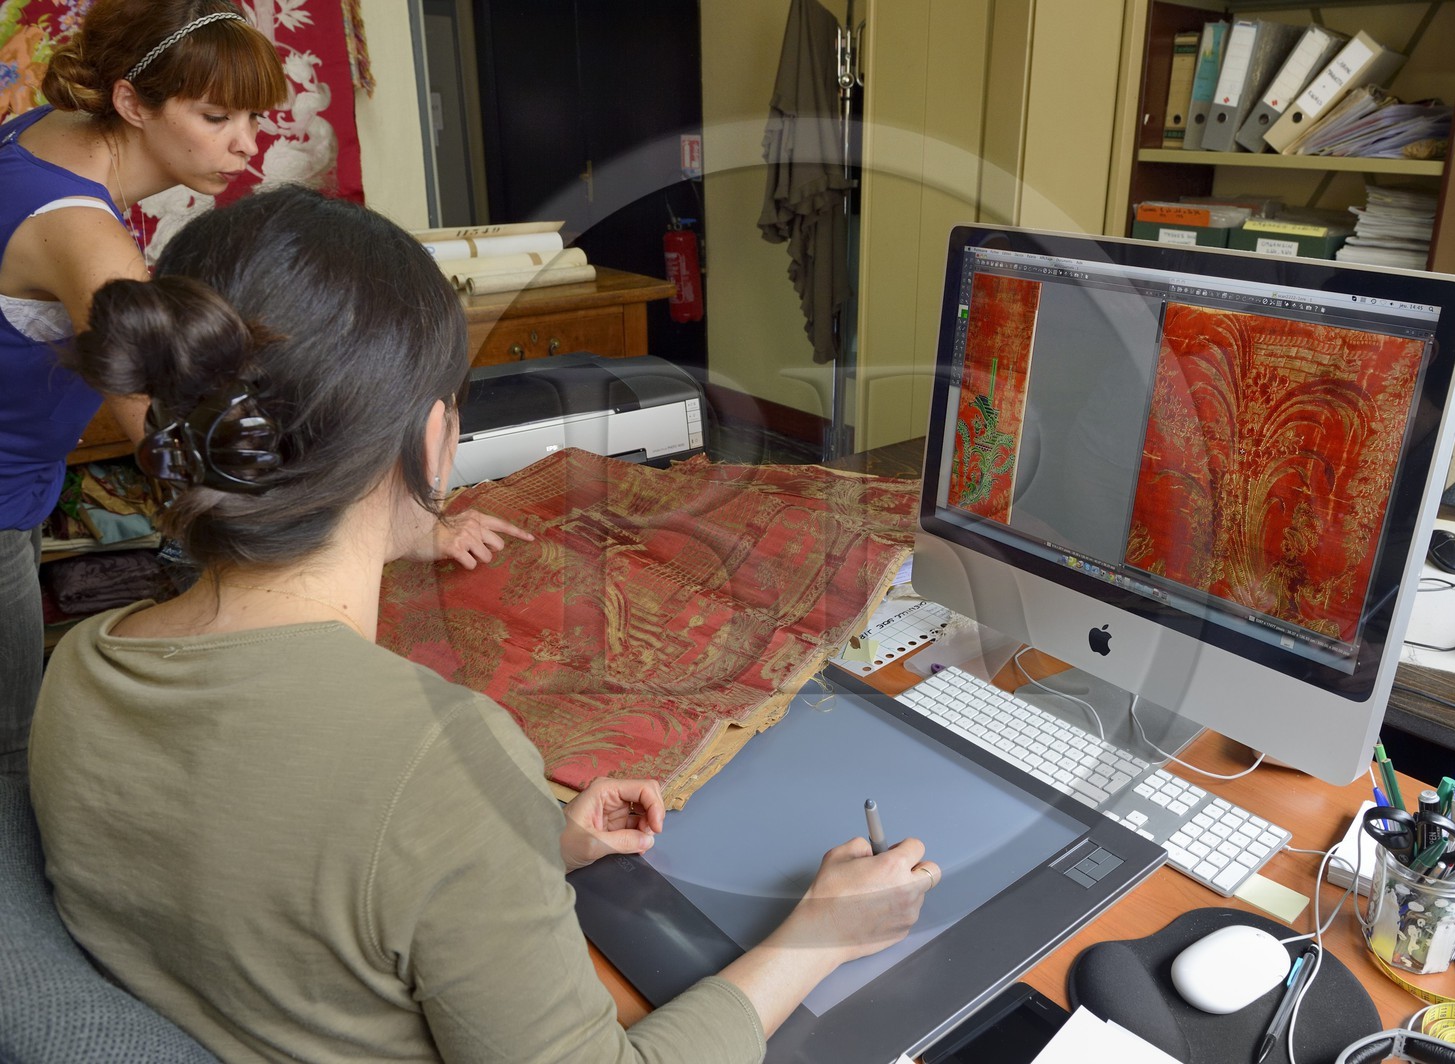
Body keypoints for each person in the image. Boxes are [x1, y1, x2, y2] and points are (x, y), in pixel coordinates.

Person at [29, 185, 940, 1062]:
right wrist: (820, 939)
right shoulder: (439, 759)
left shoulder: (75, 669)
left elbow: (279, 876)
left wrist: (527, 844)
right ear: (435, 441)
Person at [0, 2, 516, 775]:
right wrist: (399, 515)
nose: (246, 146)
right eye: (214, 116)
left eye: (252, 115)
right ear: (131, 100)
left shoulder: (37, 133)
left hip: (23, 470)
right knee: (14, 742)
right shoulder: (83, 236)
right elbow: (175, 437)